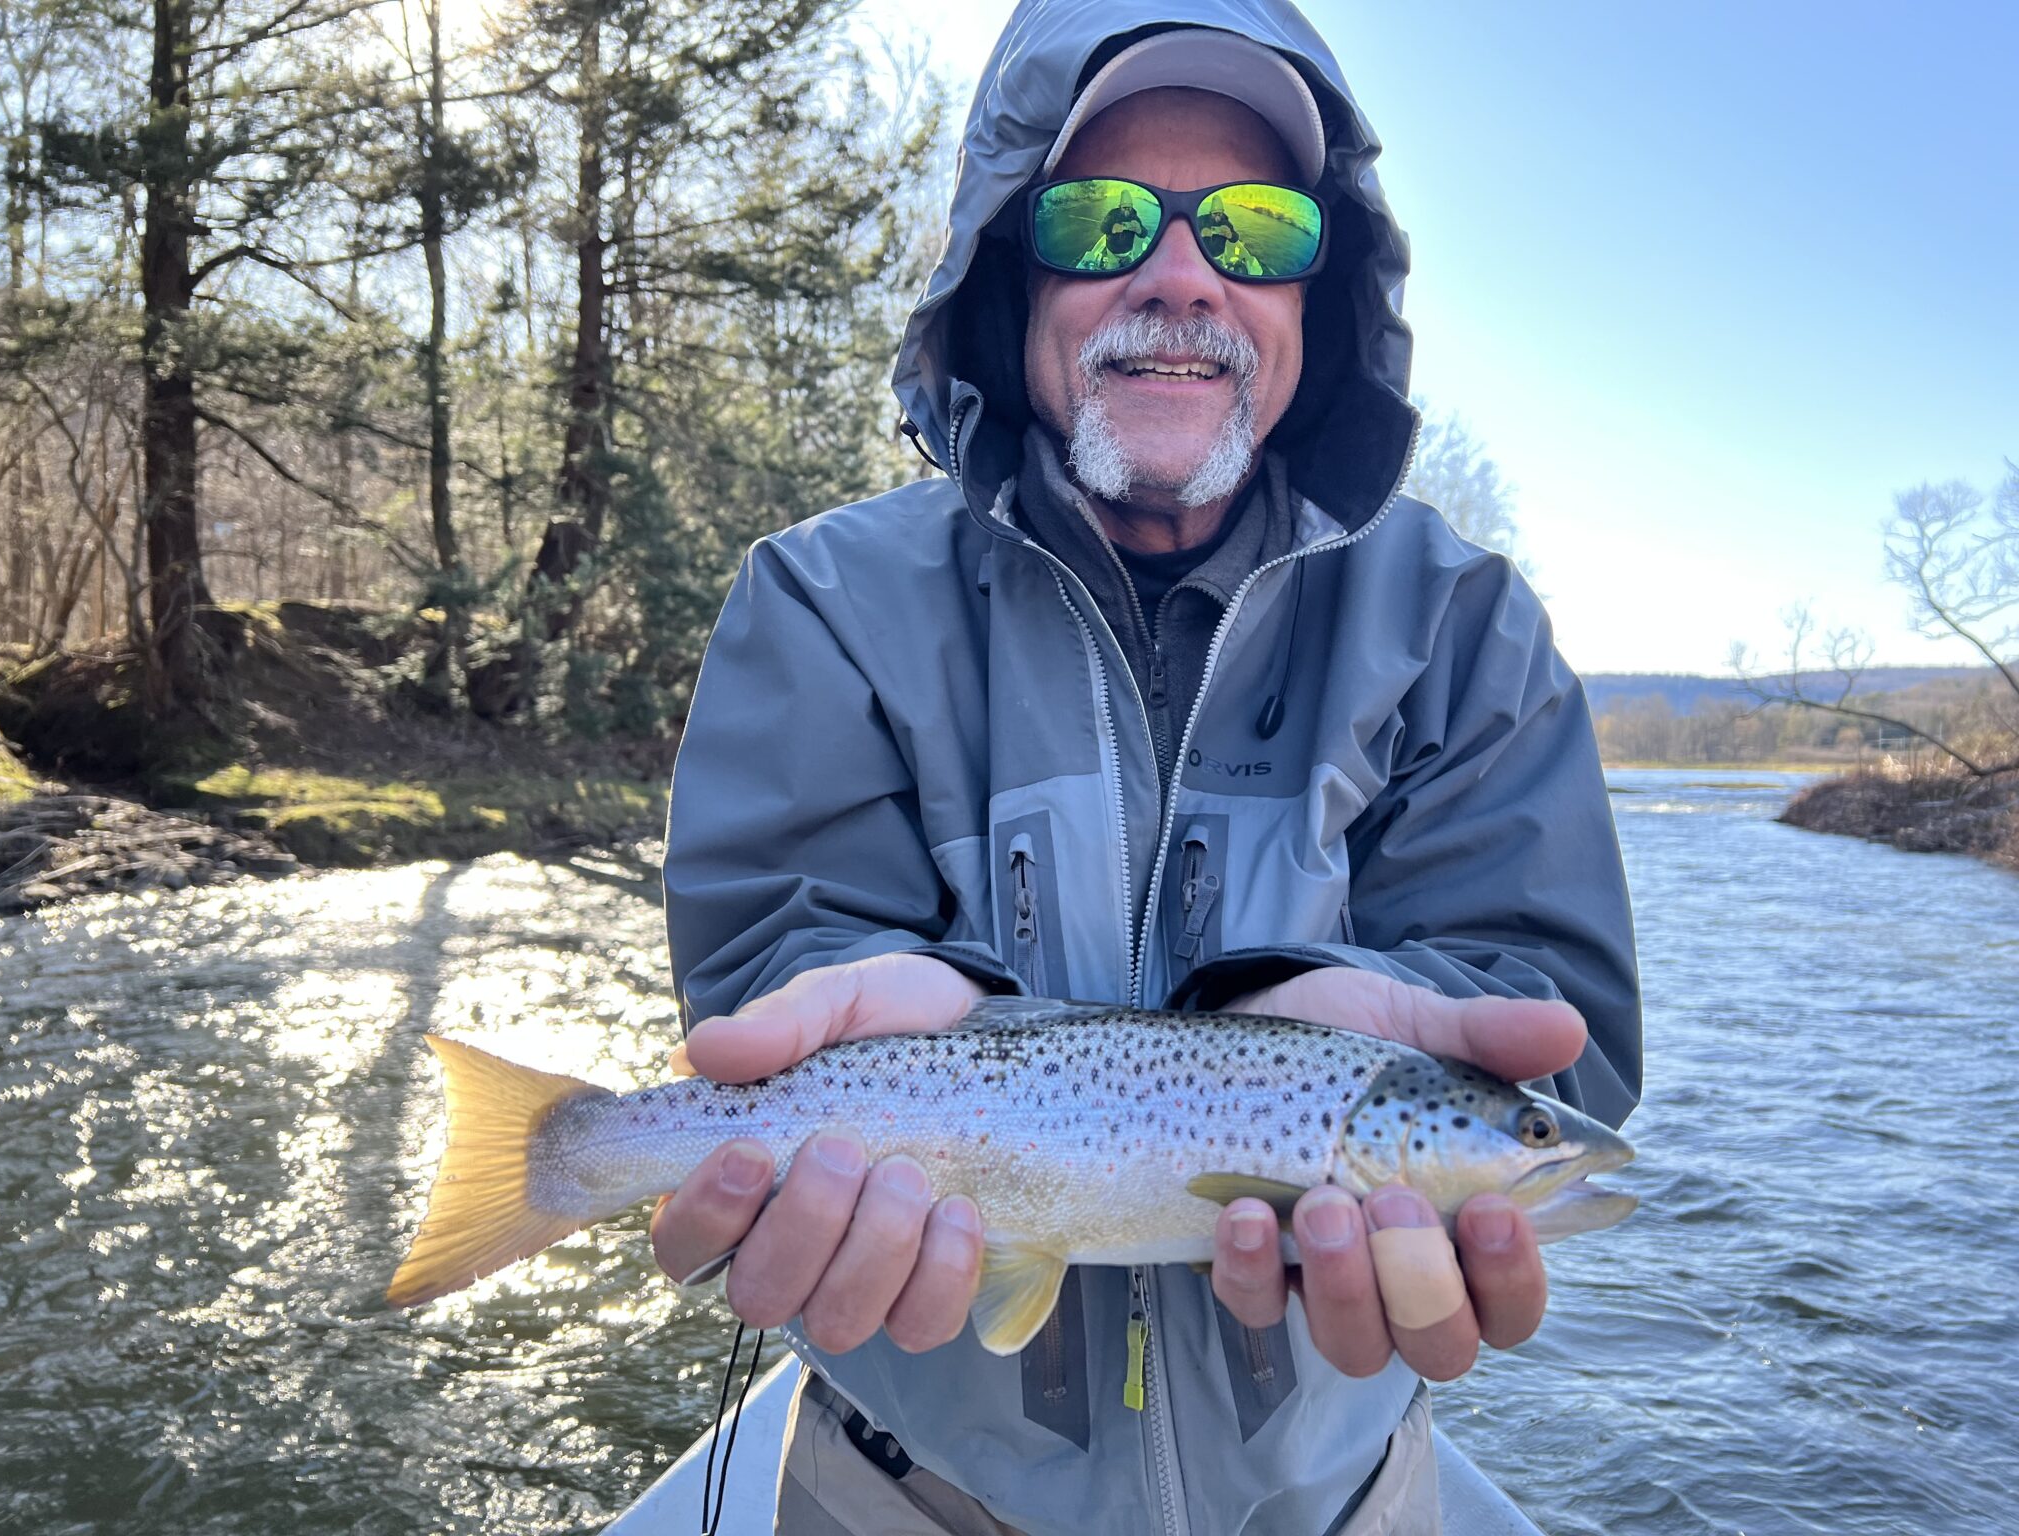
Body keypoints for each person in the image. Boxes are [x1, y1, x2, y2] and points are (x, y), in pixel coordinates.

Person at [657, 6, 1641, 1534]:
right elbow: (774, 967)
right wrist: (879, 1017)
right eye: (1100, 220)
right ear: (1012, 274)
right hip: (904, 1485)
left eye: (1256, 229)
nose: (1181, 273)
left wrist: (1421, 1048)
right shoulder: (819, 599)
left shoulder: (1465, 622)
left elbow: (1550, 1016)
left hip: (1331, 1491)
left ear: (1320, 293)